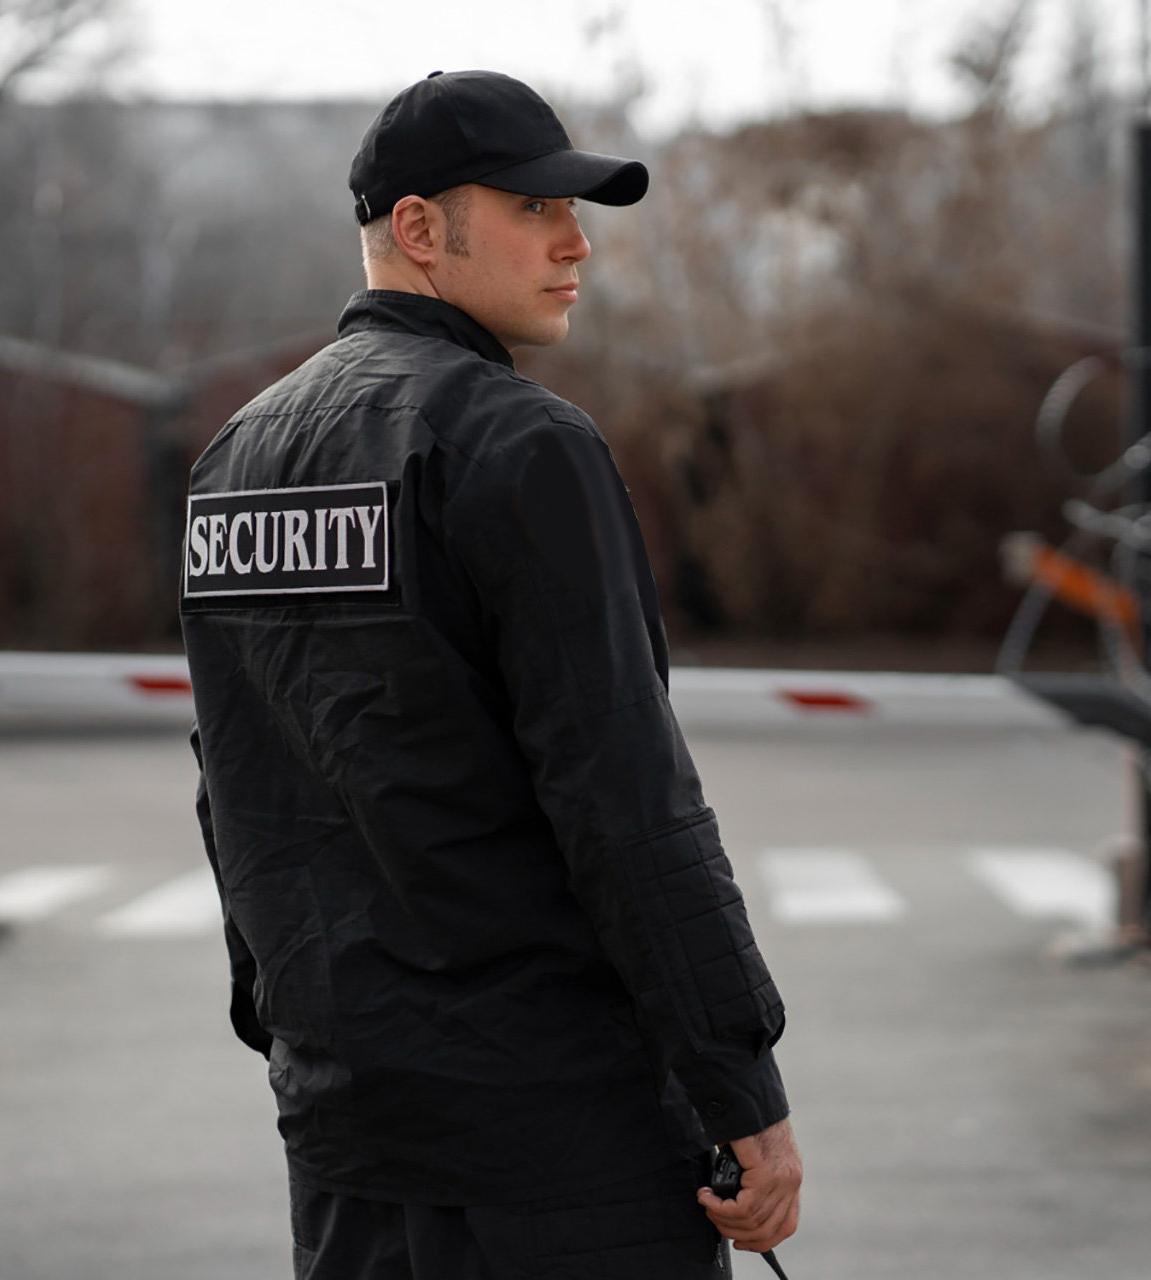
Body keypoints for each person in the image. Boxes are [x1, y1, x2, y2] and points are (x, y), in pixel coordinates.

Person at [181, 69, 802, 1280]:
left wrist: (293, 1037)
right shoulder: (521, 444)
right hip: (559, 1150)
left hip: (348, 1141)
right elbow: (626, 800)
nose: (574, 242)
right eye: (532, 208)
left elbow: (233, 794)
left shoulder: (234, 460)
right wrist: (739, 1082)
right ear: (418, 228)